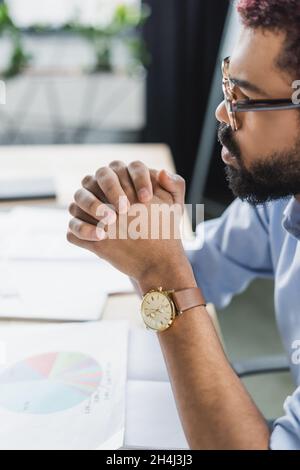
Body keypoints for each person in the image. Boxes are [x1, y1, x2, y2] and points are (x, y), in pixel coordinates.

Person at [67, 0, 300, 450]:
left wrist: (161, 274)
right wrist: (137, 227)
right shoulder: (282, 196)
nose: (222, 113)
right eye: (228, 86)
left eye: (244, 99)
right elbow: (205, 269)